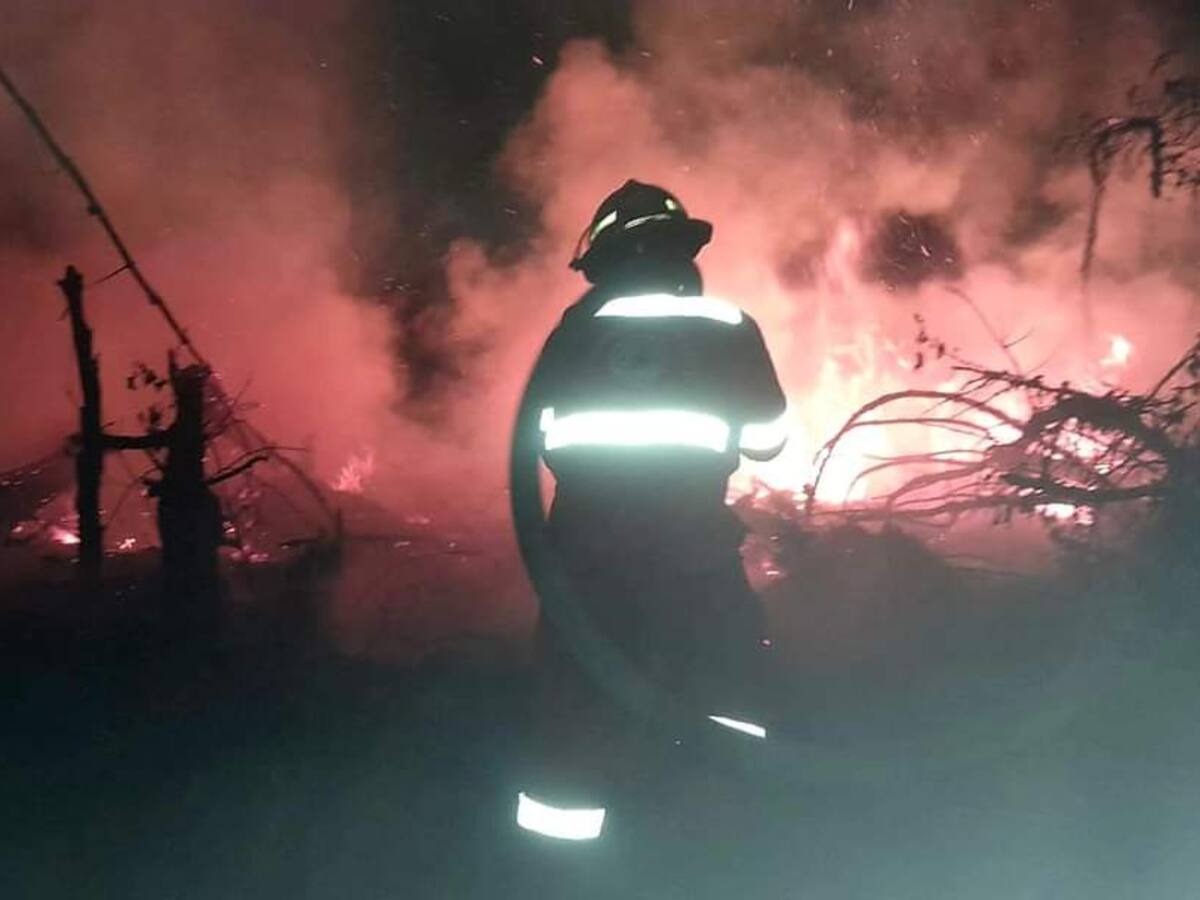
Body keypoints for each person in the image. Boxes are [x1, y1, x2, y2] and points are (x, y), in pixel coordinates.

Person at [513, 180, 788, 839]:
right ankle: (720, 839)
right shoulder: (728, 327)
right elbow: (768, 441)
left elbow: (539, 440)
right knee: (728, 686)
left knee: (575, 700)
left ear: (605, 261)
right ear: (682, 253)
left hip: (584, 557)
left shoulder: (576, 332)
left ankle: (562, 857)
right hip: (694, 552)